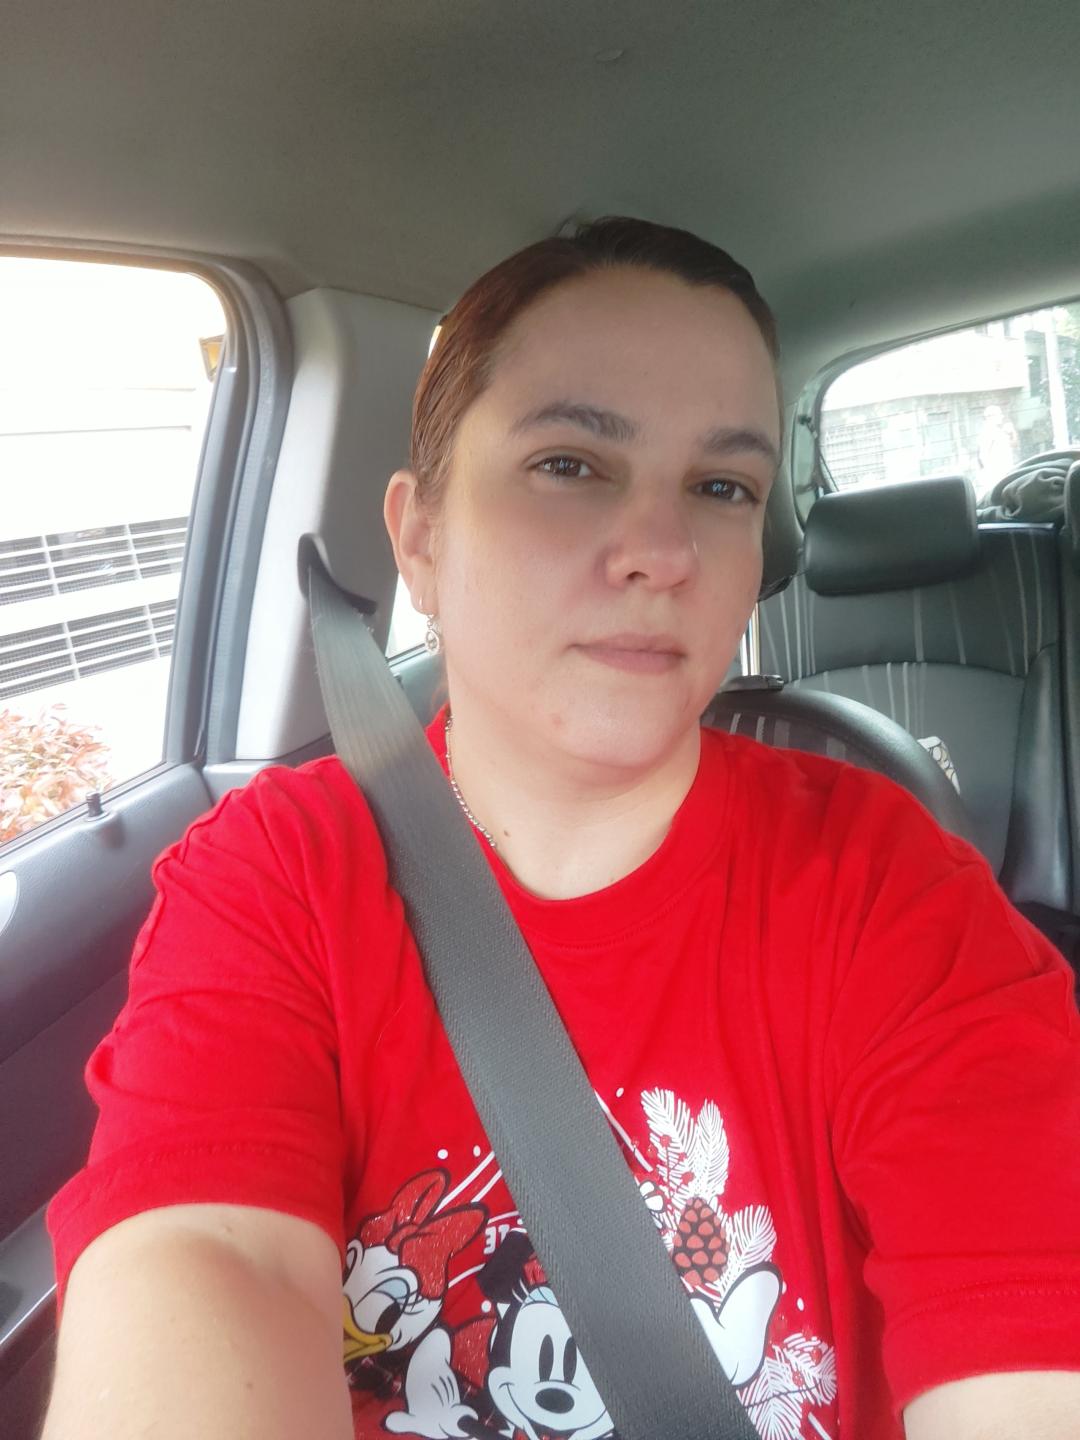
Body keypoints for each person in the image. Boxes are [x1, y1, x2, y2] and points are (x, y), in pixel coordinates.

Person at [42, 219, 1080, 1440]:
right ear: (420, 539)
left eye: (722, 488)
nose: (662, 552)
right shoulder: (276, 877)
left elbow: (1029, 1314)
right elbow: (213, 1259)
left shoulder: (890, 889)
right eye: (571, 464)